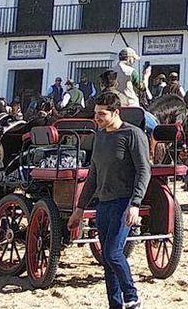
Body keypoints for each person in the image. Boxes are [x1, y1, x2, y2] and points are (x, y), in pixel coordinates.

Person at [72, 91, 149, 309]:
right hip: (103, 204)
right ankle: (115, 305)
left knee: (113, 253)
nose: (97, 118)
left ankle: (132, 297)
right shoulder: (100, 136)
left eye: (102, 114)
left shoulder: (132, 134)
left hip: (124, 202)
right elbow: (93, 175)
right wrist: (80, 208)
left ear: (116, 112)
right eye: (96, 113)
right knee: (107, 261)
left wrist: (135, 204)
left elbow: (144, 170)